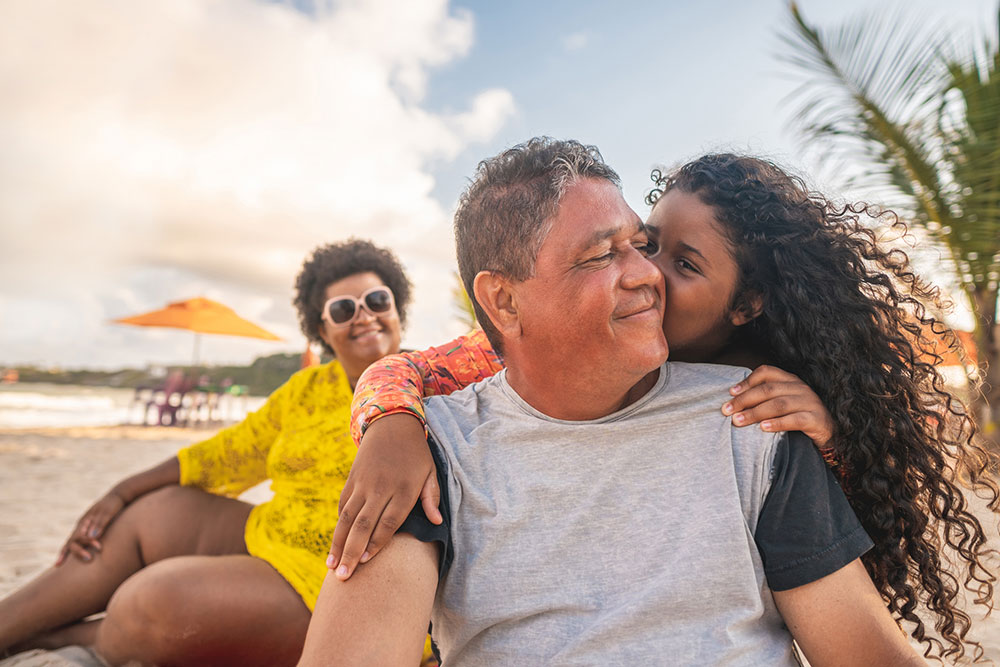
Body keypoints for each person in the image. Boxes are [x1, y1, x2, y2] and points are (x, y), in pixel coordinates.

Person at [329, 152, 1000, 660]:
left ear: (745, 307)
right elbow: (406, 369)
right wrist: (393, 423)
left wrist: (831, 441)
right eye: (631, 246)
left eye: (679, 262)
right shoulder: (474, 398)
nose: (648, 272)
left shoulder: (759, 412)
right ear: (506, 302)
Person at [0, 240, 436, 666]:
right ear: (322, 330)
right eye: (343, 309)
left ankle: (59, 635)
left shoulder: (436, 383)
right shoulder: (306, 389)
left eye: (377, 301)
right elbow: (222, 454)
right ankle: (9, 625)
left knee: (155, 601)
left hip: (348, 577)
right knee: (147, 513)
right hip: (276, 535)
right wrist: (119, 491)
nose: (364, 316)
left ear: (397, 310)